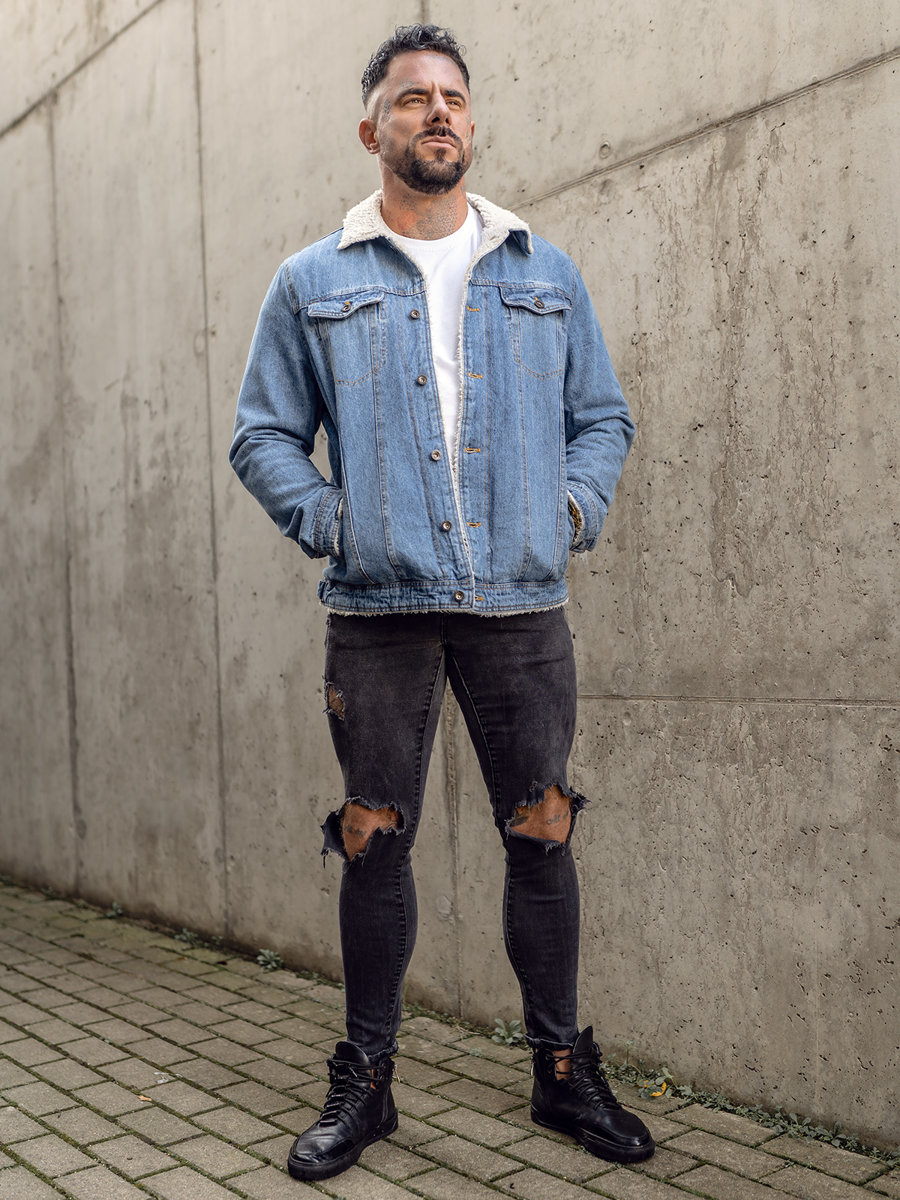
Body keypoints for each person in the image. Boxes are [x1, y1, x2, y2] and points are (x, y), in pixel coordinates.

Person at [230, 24, 653, 1182]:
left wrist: (570, 509)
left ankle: (559, 1072)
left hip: (522, 604)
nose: (438, 111)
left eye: (454, 96)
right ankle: (367, 1085)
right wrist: (339, 522)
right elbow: (262, 434)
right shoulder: (312, 282)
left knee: (543, 830)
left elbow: (602, 417)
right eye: (412, 97)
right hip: (380, 613)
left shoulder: (541, 270)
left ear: (473, 121)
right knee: (374, 843)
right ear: (372, 128)